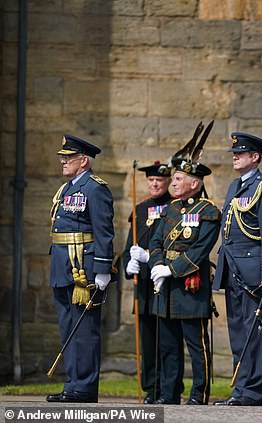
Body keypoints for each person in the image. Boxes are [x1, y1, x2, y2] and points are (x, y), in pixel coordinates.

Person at [148, 129, 221, 405]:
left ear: (194, 183)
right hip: (165, 290)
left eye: (178, 179)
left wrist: (172, 269)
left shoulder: (209, 212)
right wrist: (157, 267)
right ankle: (168, 395)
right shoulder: (170, 210)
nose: (173, 183)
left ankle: (198, 394)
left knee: (196, 346)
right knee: (167, 346)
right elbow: (156, 243)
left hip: (190, 288)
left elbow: (201, 250)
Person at [212, 132, 262, 407]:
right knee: (238, 331)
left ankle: (251, 392)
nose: (235, 156)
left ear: (254, 157)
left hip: (253, 271)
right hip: (233, 267)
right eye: (234, 153)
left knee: (254, 331)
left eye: (240, 153)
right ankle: (240, 389)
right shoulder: (235, 186)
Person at [46, 135, 114, 403]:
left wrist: (103, 269)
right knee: (68, 328)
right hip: (62, 268)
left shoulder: (95, 188)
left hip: (82, 271)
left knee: (84, 331)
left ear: (83, 161)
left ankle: (83, 388)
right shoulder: (66, 190)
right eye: (63, 157)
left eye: (69, 157)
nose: (63, 161)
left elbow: (104, 231)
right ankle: (72, 384)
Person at [122, 161, 172, 404]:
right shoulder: (140, 209)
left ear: (168, 181)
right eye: (151, 180)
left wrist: (150, 258)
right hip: (142, 284)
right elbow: (127, 247)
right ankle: (151, 388)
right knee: (147, 341)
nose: (154, 183)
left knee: (165, 340)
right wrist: (127, 265)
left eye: (159, 180)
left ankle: (167, 388)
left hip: (163, 283)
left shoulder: (174, 208)